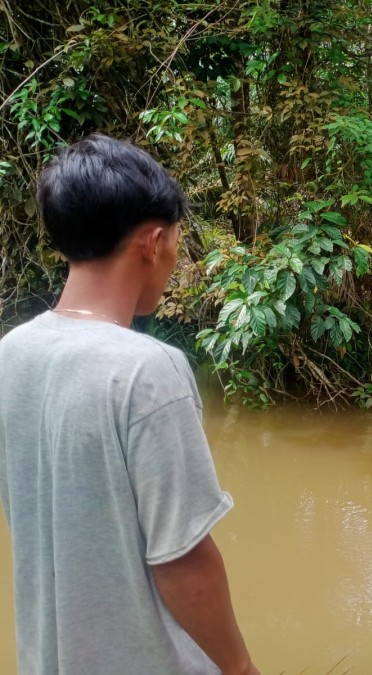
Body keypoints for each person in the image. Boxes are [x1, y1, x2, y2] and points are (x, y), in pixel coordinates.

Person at [0, 135, 259, 674]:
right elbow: (182, 560)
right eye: (176, 245)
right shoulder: (147, 370)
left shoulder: (12, 353)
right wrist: (240, 667)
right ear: (153, 241)